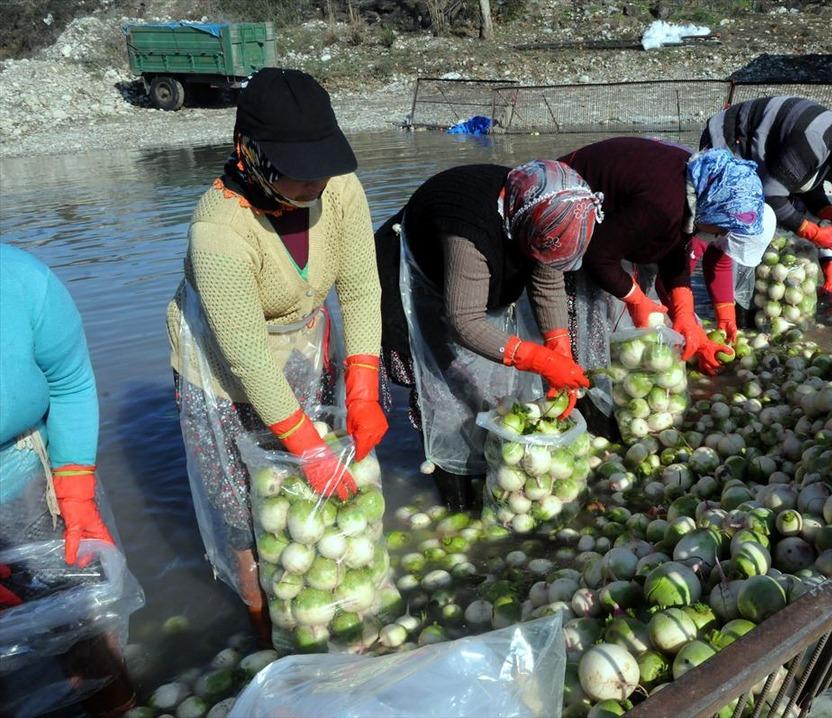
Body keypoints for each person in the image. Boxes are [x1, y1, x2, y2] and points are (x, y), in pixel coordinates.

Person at [166, 68, 386, 633]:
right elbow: (245, 357)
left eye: (322, 165)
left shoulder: (340, 189)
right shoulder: (219, 229)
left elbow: (361, 288)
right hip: (221, 368)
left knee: (304, 494)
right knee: (242, 504)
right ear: (251, 152)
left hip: (301, 347)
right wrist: (305, 445)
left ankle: (324, 606)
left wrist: (364, 385)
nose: (315, 182)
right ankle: (259, 614)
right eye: (298, 169)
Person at [374, 161, 602, 510]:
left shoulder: (545, 212)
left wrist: (559, 346)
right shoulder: (470, 228)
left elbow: (547, 280)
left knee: (494, 385)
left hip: (472, 282)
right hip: (421, 282)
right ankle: (455, 498)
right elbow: (465, 321)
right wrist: (537, 358)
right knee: (444, 391)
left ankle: (493, 474)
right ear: (522, 228)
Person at [0, 243, 135, 715]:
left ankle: (114, 704)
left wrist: (75, 491)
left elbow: (70, 380)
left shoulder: (24, 281)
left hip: (26, 480)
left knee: (81, 623)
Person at [559, 137, 772, 373]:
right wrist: (637, 300)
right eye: (723, 228)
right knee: (577, 326)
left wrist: (684, 313)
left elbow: (674, 249)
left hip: (604, 227)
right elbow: (598, 256)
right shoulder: (662, 206)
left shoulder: (694, 187)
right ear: (714, 210)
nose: (721, 234)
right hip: (559, 218)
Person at [701, 97, 832, 301]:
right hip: (727, 140)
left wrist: (824, 209)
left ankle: (737, 294)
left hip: (756, 151)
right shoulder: (813, 141)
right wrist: (810, 231)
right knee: (734, 227)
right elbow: (772, 195)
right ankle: (724, 297)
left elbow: (801, 178)